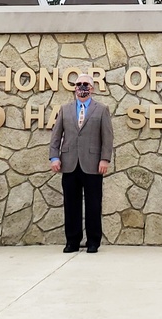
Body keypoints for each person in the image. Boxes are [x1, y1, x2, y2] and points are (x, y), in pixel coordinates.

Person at [48, 73, 114, 253]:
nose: (81, 87)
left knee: (93, 204)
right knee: (71, 204)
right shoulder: (65, 109)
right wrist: (54, 157)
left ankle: (93, 241)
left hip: (93, 164)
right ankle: (72, 241)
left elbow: (107, 137)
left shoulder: (101, 109)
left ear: (92, 88)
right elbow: (56, 135)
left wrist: (105, 159)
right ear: (74, 88)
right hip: (69, 163)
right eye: (78, 84)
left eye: (85, 84)